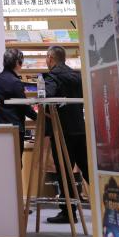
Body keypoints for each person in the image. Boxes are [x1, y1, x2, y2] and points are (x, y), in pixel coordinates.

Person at [42, 45, 89, 224]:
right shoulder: (77, 76)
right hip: (80, 129)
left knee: (64, 172)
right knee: (87, 169)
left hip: (61, 131)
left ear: (50, 58)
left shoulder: (52, 77)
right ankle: (106, 204)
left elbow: (46, 97)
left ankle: (69, 212)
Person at [0, 48, 36, 155]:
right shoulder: (15, 82)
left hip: (0, 127)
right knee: (16, 160)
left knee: (3, 159)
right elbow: (24, 107)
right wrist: (38, 117)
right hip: (15, 128)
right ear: (17, 63)